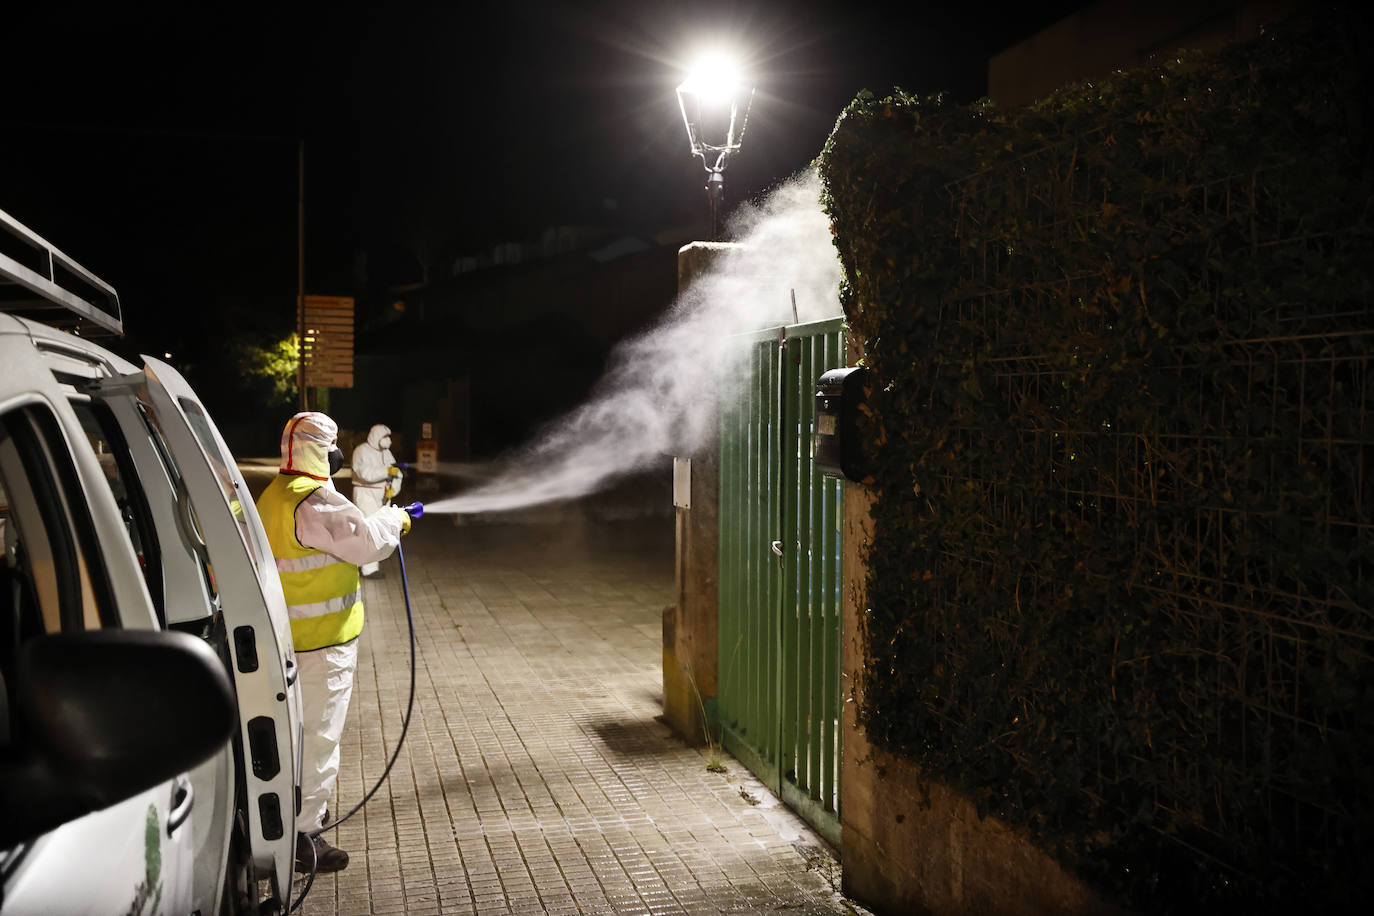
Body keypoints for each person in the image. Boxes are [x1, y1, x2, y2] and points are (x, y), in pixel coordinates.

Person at [256, 411, 411, 873]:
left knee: (294, 737)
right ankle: (304, 836)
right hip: (322, 648)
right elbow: (364, 543)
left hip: (286, 644)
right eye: (332, 447)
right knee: (319, 741)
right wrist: (396, 518)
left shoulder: (274, 494)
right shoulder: (316, 500)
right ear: (324, 451)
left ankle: (287, 820)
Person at [351, 423, 403, 578]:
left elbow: (395, 472)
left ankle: (364, 563)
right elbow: (364, 474)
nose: (388, 441)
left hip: (382, 496)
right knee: (370, 532)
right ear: (376, 436)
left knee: (378, 531)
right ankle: (369, 569)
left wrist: (394, 488)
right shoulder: (361, 451)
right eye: (385, 437)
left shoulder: (386, 453)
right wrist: (386, 472)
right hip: (366, 495)